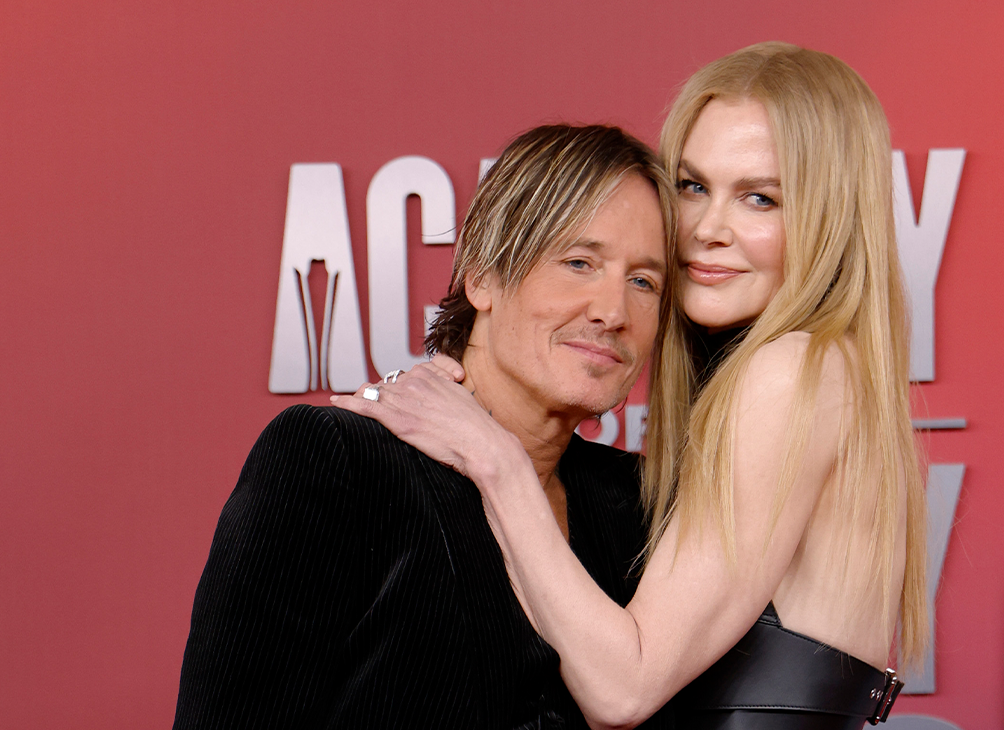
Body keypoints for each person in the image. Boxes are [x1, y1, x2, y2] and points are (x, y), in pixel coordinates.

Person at [340, 42, 927, 729]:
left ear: (831, 220)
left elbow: (622, 688)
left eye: (760, 198)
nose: (706, 230)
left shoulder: (792, 371)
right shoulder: (829, 376)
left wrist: (491, 454)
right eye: (692, 187)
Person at [173, 124, 678, 729]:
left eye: (644, 282)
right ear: (483, 274)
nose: (613, 312)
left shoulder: (642, 504)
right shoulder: (338, 461)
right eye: (578, 263)